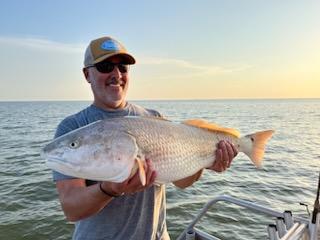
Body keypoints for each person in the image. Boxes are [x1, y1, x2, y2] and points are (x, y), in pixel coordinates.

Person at [52, 36, 238, 240]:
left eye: (123, 67)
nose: (116, 74)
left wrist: (206, 161)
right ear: (87, 74)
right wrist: (110, 189)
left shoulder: (153, 119)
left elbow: (182, 181)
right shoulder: (73, 128)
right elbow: (72, 209)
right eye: (105, 66)